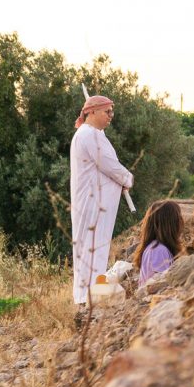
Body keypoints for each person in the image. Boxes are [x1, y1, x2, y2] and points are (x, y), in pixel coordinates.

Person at [70, 95, 134, 306]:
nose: (111, 116)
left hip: (91, 202)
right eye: (107, 111)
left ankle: (87, 297)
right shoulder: (90, 135)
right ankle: (88, 298)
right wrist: (127, 179)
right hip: (93, 204)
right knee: (93, 249)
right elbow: (110, 164)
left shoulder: (88, 134)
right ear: (92, 111)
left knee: (92, 249)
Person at [135, 200, 183, 286]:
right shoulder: (158, 250)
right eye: (178, 218)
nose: (181, 222)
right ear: (170, 224)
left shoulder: (156, 247)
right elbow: (160, 287)